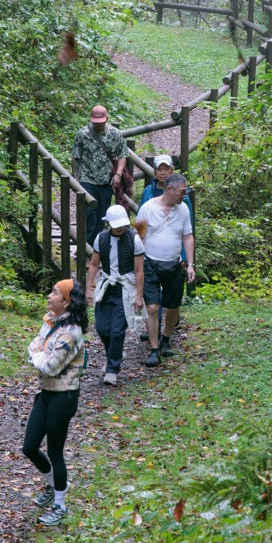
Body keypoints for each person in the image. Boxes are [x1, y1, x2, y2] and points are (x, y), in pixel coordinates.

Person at [22, 278, 87, 526]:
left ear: (67, 301)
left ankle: (60, 504)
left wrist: (37, 356)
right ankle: (54, 484)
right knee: (29, 446)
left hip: (64, 396)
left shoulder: (71, 333)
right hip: (46, 393)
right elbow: (34, 347)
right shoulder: (50, 322)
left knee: (55, 451)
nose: (50, 296)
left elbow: (49, 366)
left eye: (55, 293)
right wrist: (38, 354)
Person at [136, 173, 196, 367]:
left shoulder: (184, 209)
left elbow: (188, 236)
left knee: (173, 306)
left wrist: (191, 264)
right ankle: (154, 349)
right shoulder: (147, 208)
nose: (184, 195)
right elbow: (139, 237)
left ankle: (166, 339)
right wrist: (137, 267)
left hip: (175, 264)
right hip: (151, 263)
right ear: (169, 189)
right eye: (182, 191)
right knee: (152, 307)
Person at [85, 204, 145, 385]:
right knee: (102, 328)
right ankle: (115, 353)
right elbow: (94, 264)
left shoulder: (133, 240)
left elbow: (139, 269)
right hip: (106, 285)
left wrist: (139, 295)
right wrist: (89, 288)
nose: (119, 228)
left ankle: (112, 369)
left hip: (125, 288)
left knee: (117, 330)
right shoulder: (101, 239)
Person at [72, 104, 128, 243]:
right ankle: (85, 247)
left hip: (106, 181)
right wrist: (75, 177)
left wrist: (118, 174)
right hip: (87, 179)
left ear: (106, 119)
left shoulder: (114, 134)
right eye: (95, 123)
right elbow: (76, 156)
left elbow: (122, 155)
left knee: (102, 215)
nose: (98, 125)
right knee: (89, 214)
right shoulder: (83, 133)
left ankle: (96, 247)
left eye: (100, 123)